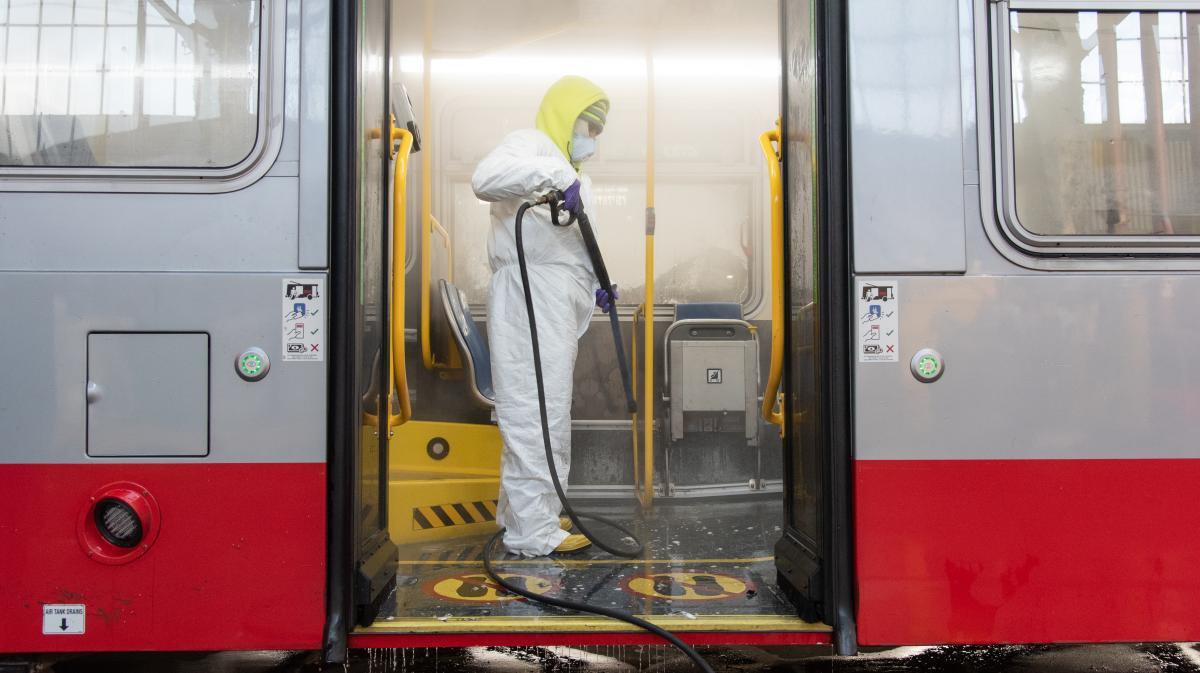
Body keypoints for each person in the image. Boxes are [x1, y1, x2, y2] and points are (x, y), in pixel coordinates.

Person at [471, 75, 614, 557]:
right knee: (536, 413)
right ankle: (535, 532)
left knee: (542, 410)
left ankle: (524, 522)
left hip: (552, 299)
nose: (591, 139)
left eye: (598, 131)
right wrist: (555, 179)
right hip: (530, 294)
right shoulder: (530, 147)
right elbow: (483, 180)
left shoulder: (572, 173)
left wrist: (597, 285)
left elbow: (572, 246)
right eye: (587, 126)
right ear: (563, 114)